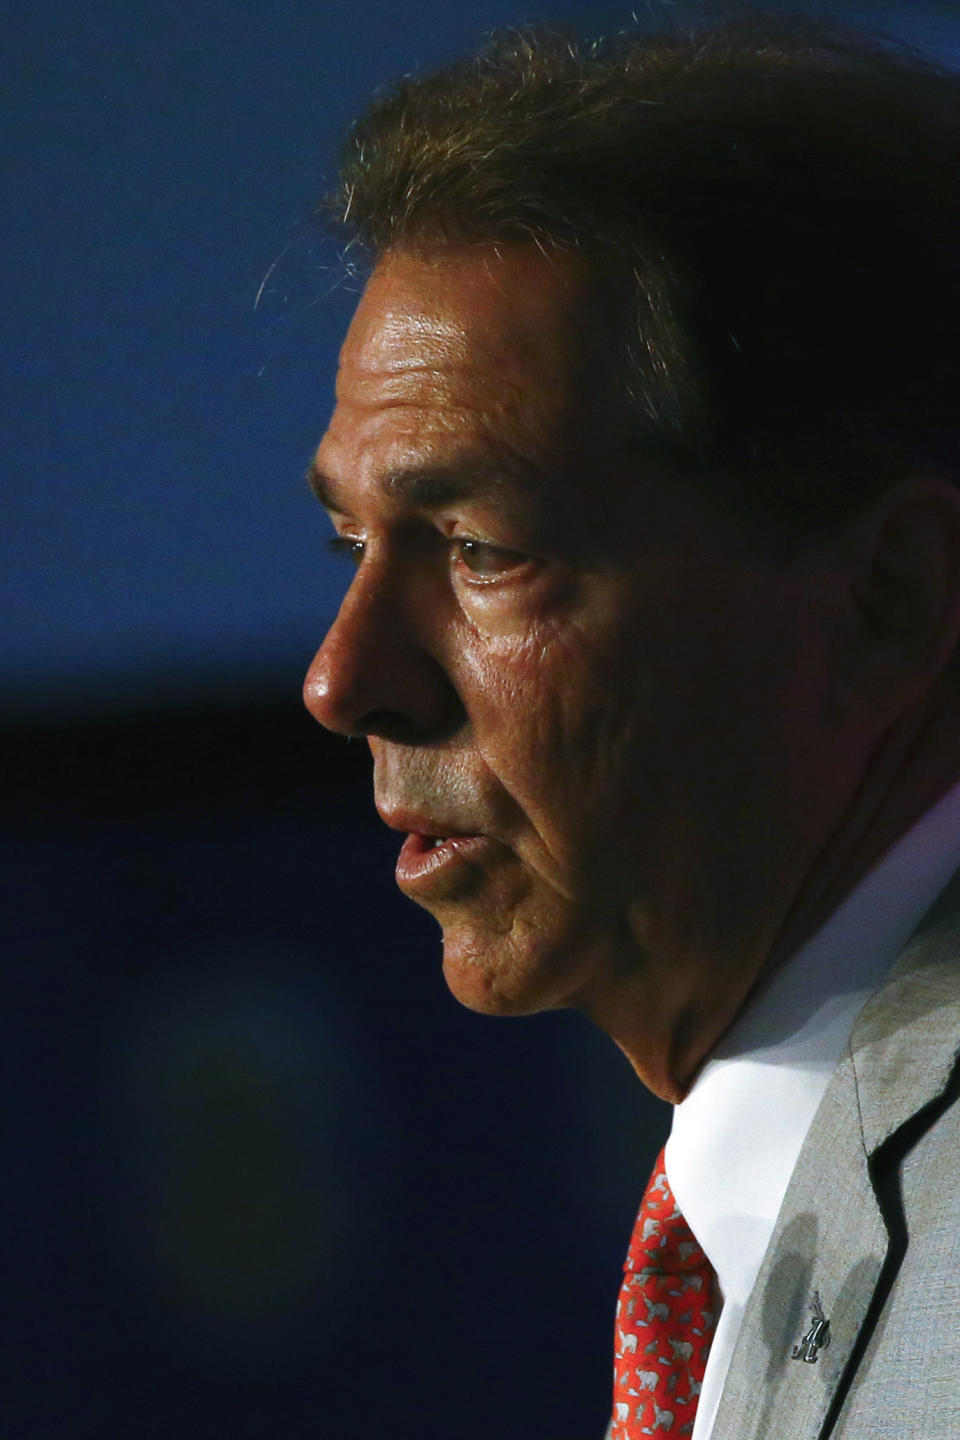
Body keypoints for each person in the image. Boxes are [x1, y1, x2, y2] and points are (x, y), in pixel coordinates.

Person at [301, 13, 960, 1438]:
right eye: (349, 540)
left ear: (890, 601)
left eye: (481, 550)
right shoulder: (772, 1219)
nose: (345, 681)